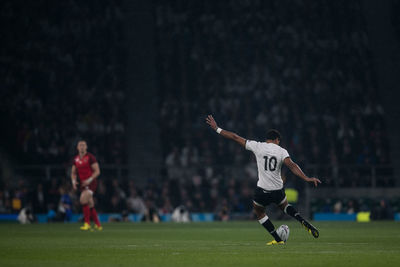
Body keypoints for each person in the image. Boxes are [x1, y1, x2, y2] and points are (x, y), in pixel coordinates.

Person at [206, 115, 321, 245]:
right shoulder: (282, 151)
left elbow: (235, 137)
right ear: (277, 140)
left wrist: (217, 129)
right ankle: (302, 221)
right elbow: (292, 166)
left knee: (259, 211)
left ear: (267, 139)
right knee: (285, 206)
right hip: (278, 190)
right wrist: (307, 178)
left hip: (263, 191)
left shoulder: (258, 146)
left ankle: (278, 239)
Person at [71, 140, 102, 231]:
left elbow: (97, 171)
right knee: (90, 204)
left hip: (91, 183)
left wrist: (89, 180)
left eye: (84, 145)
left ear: (86, 147)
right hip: (83, 184)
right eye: (80, 145)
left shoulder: (90, 157)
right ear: (77, 147)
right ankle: (98, 225)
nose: (82, 146)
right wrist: (73, 181)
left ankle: (87, 224)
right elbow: (73, 173)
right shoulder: (76, 159)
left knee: (83, 200)